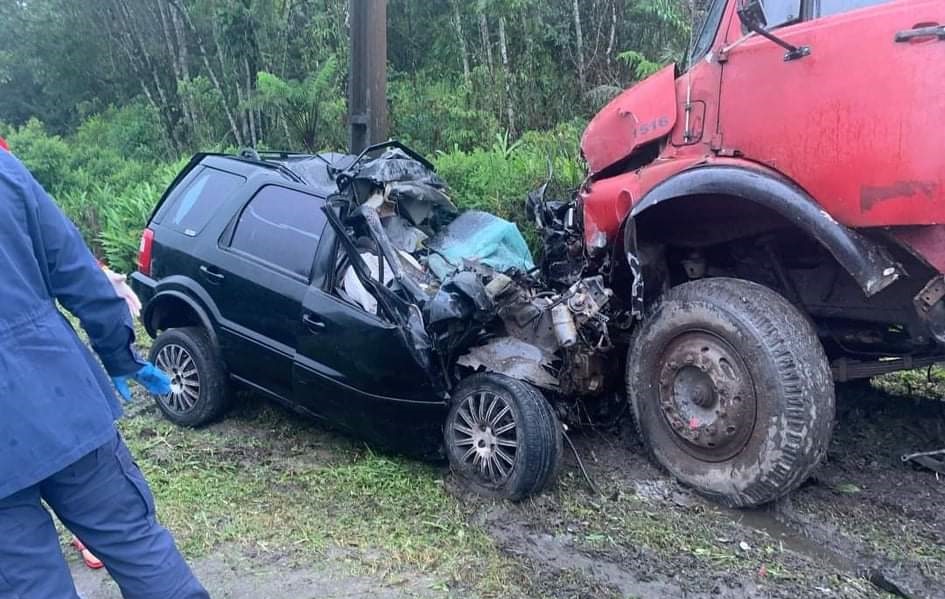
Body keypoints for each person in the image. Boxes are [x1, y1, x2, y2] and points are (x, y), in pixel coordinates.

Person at [0, 143, 209, 597]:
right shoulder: (5, 171)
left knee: (29, 586)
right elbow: (81, 276)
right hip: (62, 402)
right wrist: (120, 356)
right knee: (137, 547)